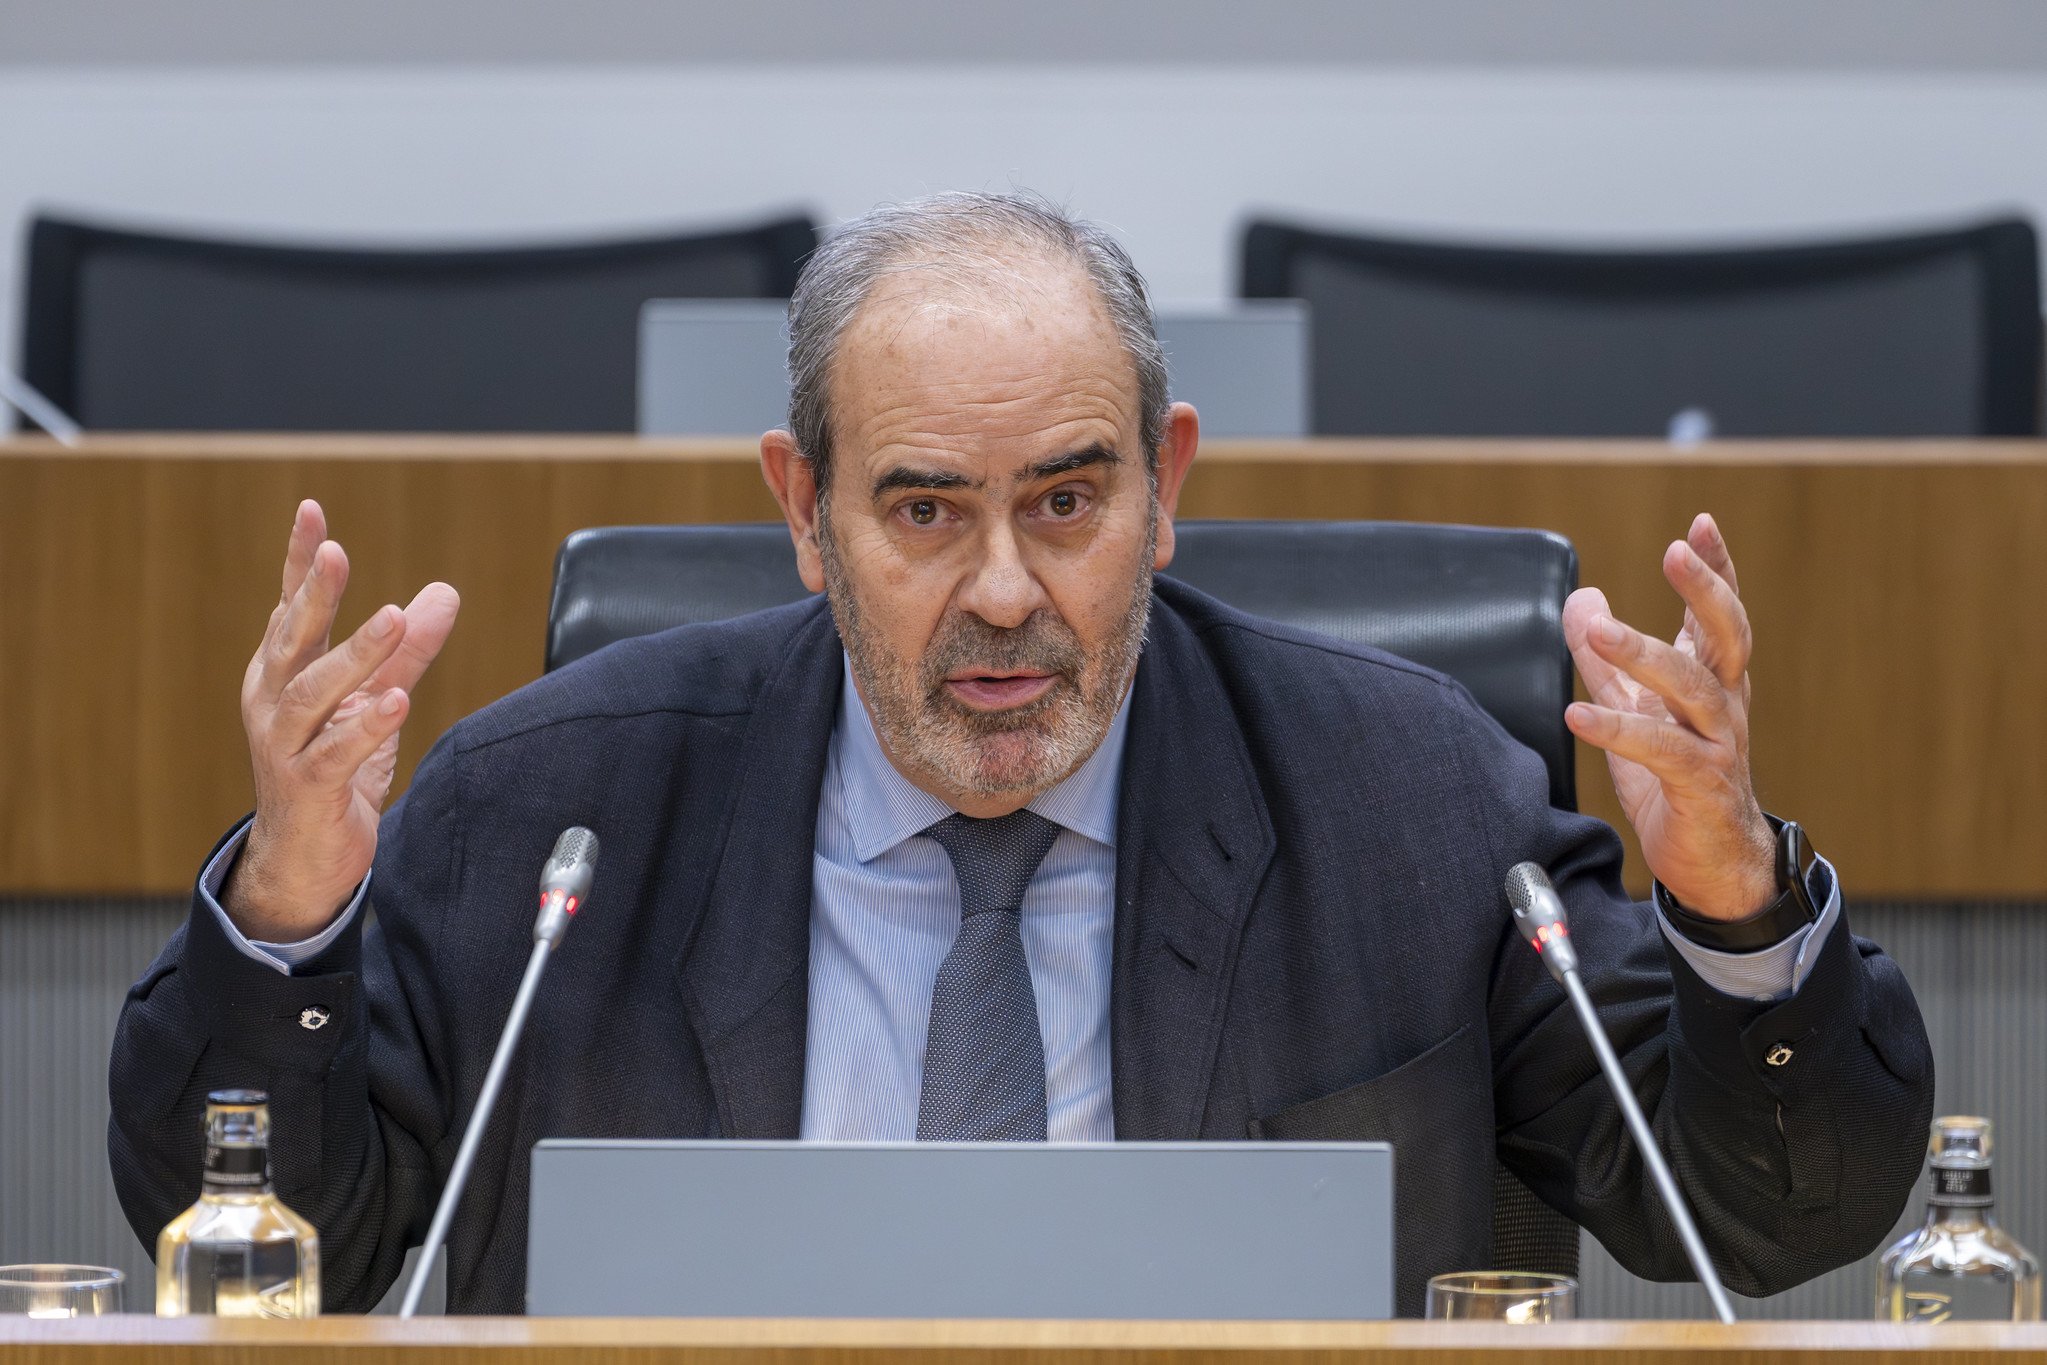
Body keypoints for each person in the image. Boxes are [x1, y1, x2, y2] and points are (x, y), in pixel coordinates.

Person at [109, 192, 1932, 1316]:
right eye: (923, 509)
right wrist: (292, 906)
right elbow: (295, 1261)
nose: (1005, 590)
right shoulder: (548, 817)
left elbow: (1781, 1224)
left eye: (1068, 499)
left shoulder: (1418, 806)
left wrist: (1732, 903)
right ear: (804, 510)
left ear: (1169, 486)